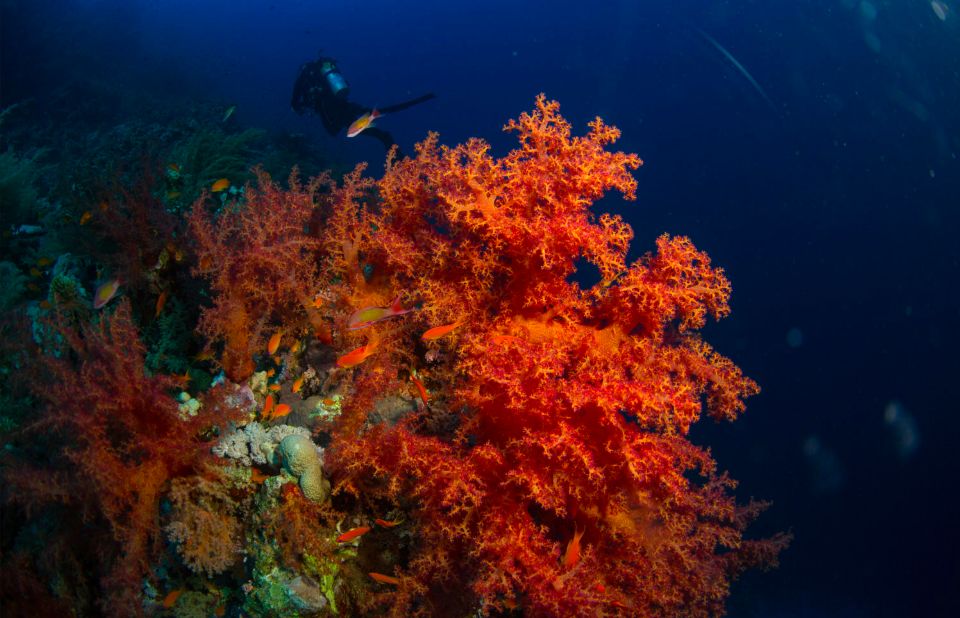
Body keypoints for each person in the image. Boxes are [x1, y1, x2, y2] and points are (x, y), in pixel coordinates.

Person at [291, 54, 435, 153]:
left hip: (327, 107)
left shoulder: (306, 74)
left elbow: (296, 97)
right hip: (344, 104)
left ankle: (382, 134)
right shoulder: (328, 72)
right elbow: (345, 85)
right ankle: (384, 136)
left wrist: (297, 107)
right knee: (358, 119)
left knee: (334, 130)